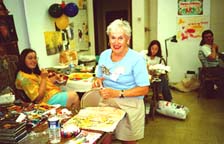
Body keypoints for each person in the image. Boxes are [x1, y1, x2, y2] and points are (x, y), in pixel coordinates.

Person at [93, 19, 150, 144]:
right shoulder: (103, 55)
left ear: (128, 40)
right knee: (104, 138)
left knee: (127, 140)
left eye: (120, 38)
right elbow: (98, 76)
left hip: (130, 103)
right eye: (113, 38)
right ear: (109, 39)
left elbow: (144, 89)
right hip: (107, 100)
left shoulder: (137, 59)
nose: (116, 42)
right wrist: (97, 81)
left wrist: (118, 93)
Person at [15, 48, 80, 110]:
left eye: (35, 58)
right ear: (23, 60)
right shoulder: (24, 78)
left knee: (68, 90)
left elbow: (41, 84)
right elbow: (37, 99)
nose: (34, 60)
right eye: (30, 58)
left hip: (51, 94)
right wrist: (44, 78)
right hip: (43, 102)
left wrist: (54, 79)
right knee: (74, 96)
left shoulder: (31, 72)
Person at [198, 29, 224, 97]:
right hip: (210, 70)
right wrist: (214, 48)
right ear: (203, 39)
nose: (209, 38)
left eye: (210, 36)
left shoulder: (211, 46)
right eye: (206, 37)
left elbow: (216, 57)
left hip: (213, 68)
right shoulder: (204, 47)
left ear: (213, 37)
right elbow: (212, 57)